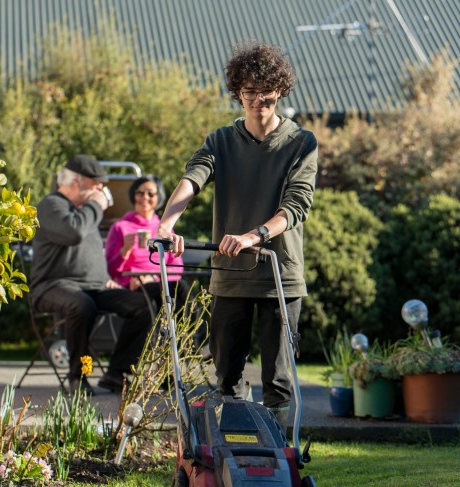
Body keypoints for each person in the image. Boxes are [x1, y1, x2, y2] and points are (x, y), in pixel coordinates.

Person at [156, 40, 318, 429]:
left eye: (266, 91)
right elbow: (192, 178)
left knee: (277, 382)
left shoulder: (301, 142)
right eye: (249, 91)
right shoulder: (221, 141)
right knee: (227, 377)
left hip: (279, 275)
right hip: (229, 276)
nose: (258, 99)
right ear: (237, 94)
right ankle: (233, 448)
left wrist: (254, 236)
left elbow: (297, 205)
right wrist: (165, 225)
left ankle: (279, 455)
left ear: (279, 90)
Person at [29, 155, 154, 394]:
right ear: (77, 181)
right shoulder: (51, 205)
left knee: (143, 305)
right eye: (96, 184)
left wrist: (104, 277)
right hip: (52, 286)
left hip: (95, 287)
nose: (101, 189)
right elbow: (73, 232)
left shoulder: (85, 211)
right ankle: (78, 378)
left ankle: (116, 373)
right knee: (81, 304)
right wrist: (95, 204)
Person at [104, 175, 190, 313]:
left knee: (182, 288)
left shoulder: (164, 229)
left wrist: (155, 277)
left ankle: (197, 333)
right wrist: (124, 251)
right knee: (175, 305)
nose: (145, 197)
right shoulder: (120, 227)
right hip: (133, 285)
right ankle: (189, 332)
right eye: (140, 193)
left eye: (150, 193)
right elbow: (109, 270)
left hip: (159, 281)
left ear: (159, 197)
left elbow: (177, 267)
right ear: (134, 195)